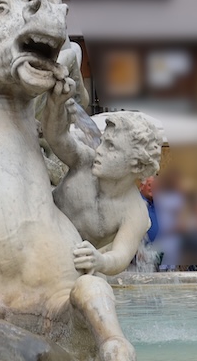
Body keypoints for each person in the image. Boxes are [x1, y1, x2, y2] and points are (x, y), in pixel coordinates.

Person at [42, 87, 161, 276]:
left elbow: (120, 256)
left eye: (111, 147)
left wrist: (100, 261)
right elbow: (57, 139)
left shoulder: (134, 212)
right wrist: (55, 105)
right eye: (104, 142)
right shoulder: (86, 162)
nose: (99, 150)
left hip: (66, 263)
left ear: (136, 165)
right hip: (36, 231)